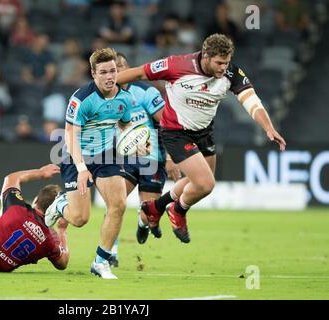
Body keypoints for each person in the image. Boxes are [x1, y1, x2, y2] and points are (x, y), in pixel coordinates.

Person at [117, 33, 286, 244]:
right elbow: (139, 73)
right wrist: (104, 87)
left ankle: (155, 208)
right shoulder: (176, 65)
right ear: (205, 56)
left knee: (195, 182)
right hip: (176, 132)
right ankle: (177, 211)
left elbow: (251, 100)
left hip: (204, 133)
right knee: (206, 184)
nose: (223, 67)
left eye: (226, 62)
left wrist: (268, 127)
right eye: (219, 62)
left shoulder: (231, 73)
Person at [44, 48, 140, 280]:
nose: (110, 76)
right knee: (79, 219)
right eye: (104, 72)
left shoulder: (125, 98)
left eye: (113, 71)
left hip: (106, 156)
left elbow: (125, 125)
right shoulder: (82, 99)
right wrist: (81, 169)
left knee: (118, 205)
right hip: (76, 156)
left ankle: (101, 261)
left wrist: (138, 140)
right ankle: (59, 206)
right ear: (93, 74)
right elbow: (70, 136)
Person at [108, 52, 180, 267]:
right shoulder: (106, 97)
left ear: (129, 70)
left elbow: (167, 124)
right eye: (113, 68)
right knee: (115, 205)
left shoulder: (146, 92)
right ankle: (110, 253)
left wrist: (171, 156)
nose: (117, 71)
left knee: (148, 213)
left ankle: (143, 222)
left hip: (153, 160)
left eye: (120, 66)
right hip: (124, 160)